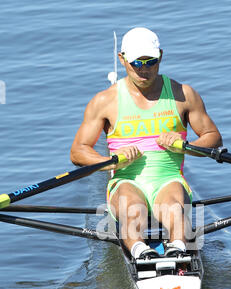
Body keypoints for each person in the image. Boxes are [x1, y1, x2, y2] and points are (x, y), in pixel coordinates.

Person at [70, 27, 222, 259]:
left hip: (168, 178)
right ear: (122, 59)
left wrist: (186, 145)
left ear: (160, 56)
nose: (144, 70)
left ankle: (178, 250)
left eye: (150, 62)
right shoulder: (104, 101)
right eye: (136, 63)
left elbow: (213, 137)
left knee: (173, 208)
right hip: (127, 180)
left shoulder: (183, 94)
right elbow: (78, 152)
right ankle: (142, 253)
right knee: (133, 210)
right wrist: (110, 163)